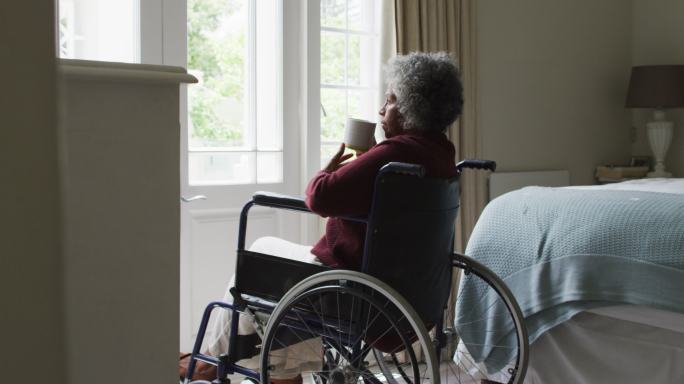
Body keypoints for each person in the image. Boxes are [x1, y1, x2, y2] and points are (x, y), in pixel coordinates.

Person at [179, 51, 463, 382]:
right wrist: (370, 159)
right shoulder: (441, 155)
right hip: (409, 294)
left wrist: (329, 167)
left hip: (352, 287)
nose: (381, 110)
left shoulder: (394, 153)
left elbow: (319, 196)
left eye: (390, 100)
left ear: (411, 107)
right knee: (276, 277)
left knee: (256, 260)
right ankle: (280, 371)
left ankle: (210, 361)